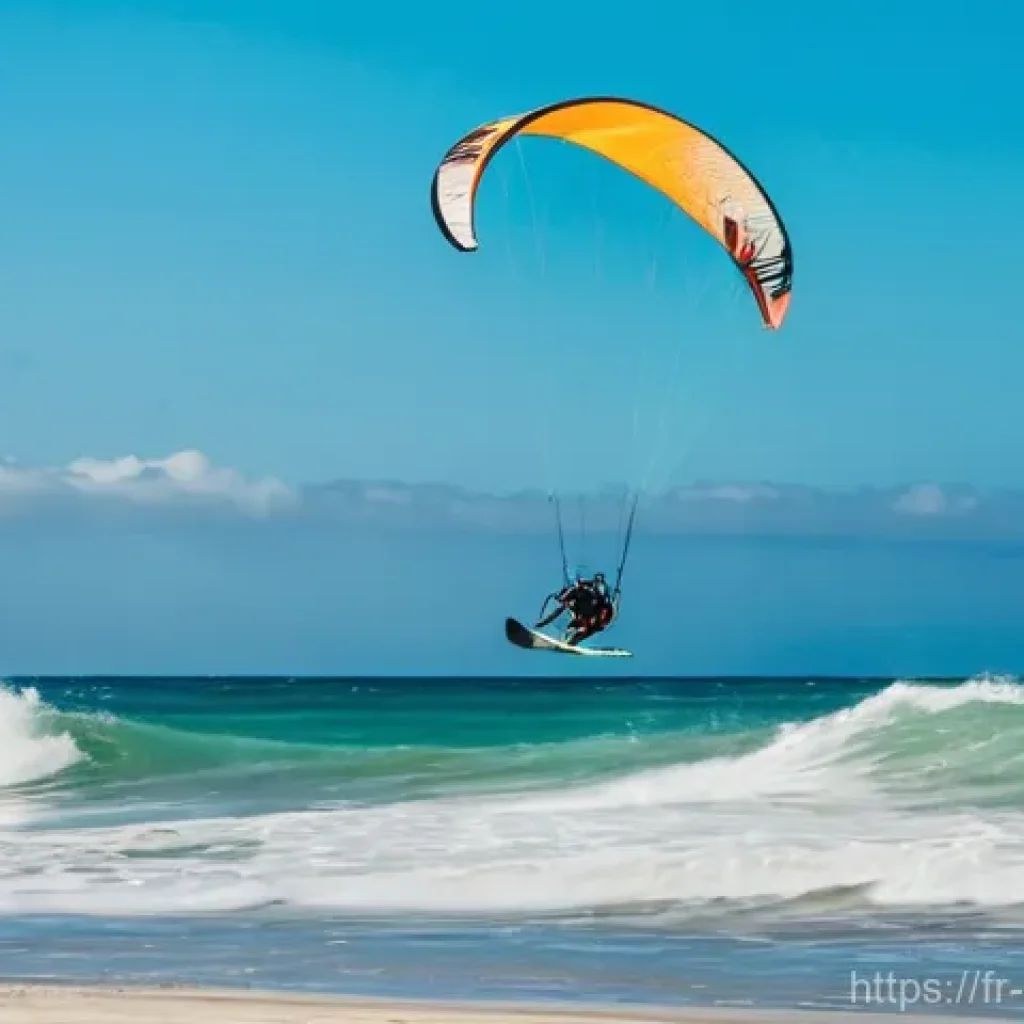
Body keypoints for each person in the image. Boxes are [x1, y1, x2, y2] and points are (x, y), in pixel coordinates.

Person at [535, 571, 616, 645]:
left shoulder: (597, 593)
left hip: (594, 620)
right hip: (582, 617)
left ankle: (570, 640)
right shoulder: (575, 591)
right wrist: (560, 597)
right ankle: (565, 640)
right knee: (571, 627)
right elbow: (562, 601)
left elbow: (603, 606)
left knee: (582, 630)